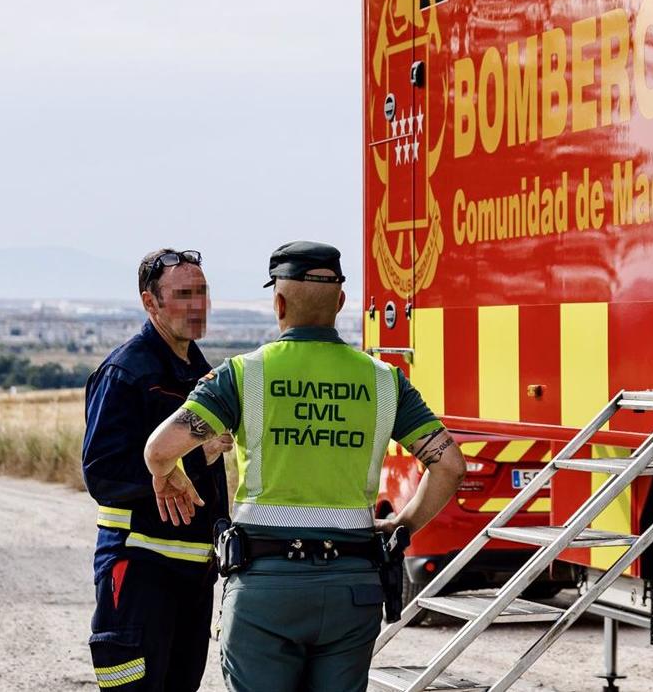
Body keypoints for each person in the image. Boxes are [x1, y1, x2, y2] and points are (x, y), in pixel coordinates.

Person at [143, 241, 465, 692]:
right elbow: (449, 465)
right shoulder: (384, 379)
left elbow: (159, 449)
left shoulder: (243, 374)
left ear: (278, 303)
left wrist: (167, 473)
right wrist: (402, 529)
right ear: (341, 303)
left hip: (265, 591)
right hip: (352, 590)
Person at [82, 248, 232, 692]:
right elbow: (102, 472)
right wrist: (195, 456)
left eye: (202, 293)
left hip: (192, 575)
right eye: (183, 294)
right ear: (151, 303)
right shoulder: (126, 373)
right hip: (139, 573)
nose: (197, 305)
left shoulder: (201, 372)